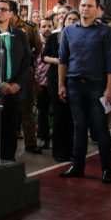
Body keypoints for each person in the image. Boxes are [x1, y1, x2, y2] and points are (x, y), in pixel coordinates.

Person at [58, 0, 111, 183]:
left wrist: (109, 88)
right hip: (74, 84)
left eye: (90, 6)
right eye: (83, 5)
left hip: (98, 85)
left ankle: (107, 170)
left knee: (100, 128)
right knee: (79, 127)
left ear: (97, 9)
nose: (85, 9)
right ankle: (78, 166)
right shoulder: (68, 31)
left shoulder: (106, 31)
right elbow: (63, 60)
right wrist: (61, 83)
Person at [0, 0, 32, 161]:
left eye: (3, 9)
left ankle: (8, 160)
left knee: (10, 127)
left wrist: (18, 84)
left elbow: (26, 61)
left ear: (10, 13)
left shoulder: (19, 35)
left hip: (13, 89)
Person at [8, 0, 44, 154]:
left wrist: (28, 58)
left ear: (12, 13)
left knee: (27, 107)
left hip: (25, 71)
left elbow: (39, 47)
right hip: (7, 70)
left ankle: (30, 142)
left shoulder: (27, 27)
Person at [43, 11, 79, 162]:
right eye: (68, 19)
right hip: (55, 78)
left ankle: (71, 151)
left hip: (74, 78)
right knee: (59, 114)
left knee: (71, 116)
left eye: (74, 19)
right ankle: (58, 151)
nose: (71, 21)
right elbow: (43, 57)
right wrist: (57, 61)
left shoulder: (80, 37)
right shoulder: (54, 37)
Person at [35, 17, 55, 150]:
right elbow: (33, 65)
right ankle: (44, 139)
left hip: (55, 83)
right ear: (39, 29)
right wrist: (35, 82)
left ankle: (58, 139)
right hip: (40, 83)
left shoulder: (57, 42)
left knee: (58, 113)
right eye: (44, 26)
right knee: (42, 112)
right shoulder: (36, 45)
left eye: (49, 26)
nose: (47, 29)